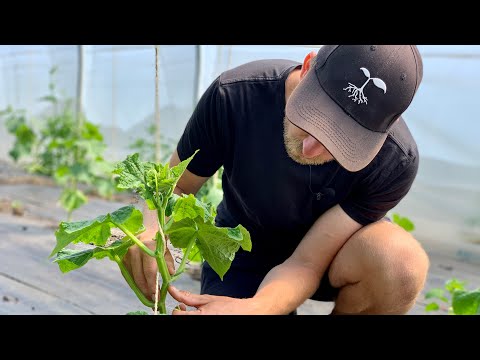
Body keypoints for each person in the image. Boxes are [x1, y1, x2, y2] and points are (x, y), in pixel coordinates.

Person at [123, 45, 430, 315]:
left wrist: (255, 309)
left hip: (328, 260)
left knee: (399, 265)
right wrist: (148, 226)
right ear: (307, 66)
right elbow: (173, 186)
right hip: (242, 248)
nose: (311, 149)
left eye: (341, 141)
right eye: (313, 118)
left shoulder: (394, 161)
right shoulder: (235, 95)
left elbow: (306, 263)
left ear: (381, 133)